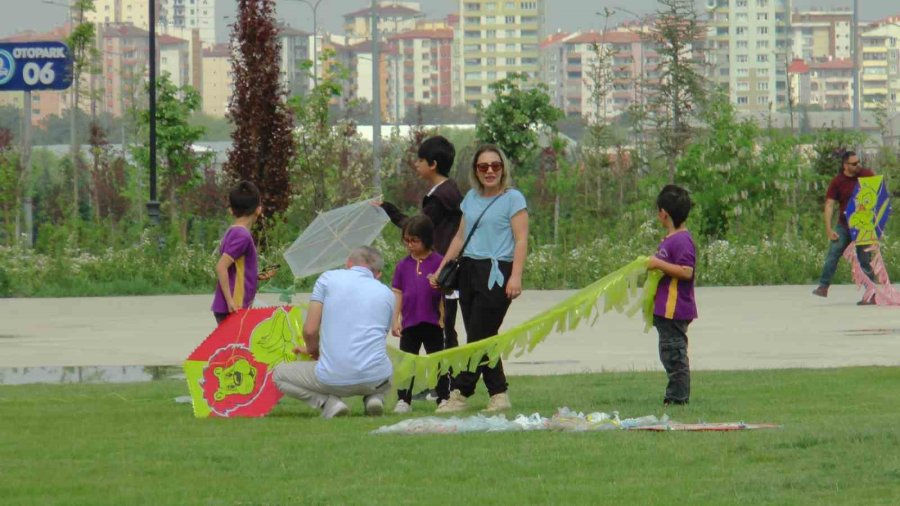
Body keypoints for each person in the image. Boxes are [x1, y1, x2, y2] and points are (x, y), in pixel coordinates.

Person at [431, 144, 528, 413]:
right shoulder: (471, 199)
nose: (489, 171)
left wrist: (516, 276)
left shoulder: (513, 199)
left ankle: (461, 391)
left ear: (503, 168)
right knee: (484, 335)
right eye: (483, 166)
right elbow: (460, 237)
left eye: (495, 166)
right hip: (468, 271)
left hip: (498, 271)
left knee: (478, 335)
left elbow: (521, 239)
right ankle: (498, 393)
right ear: (475, 170)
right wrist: (441, 268)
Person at [379, 135, 463, 399]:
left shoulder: (441, 198)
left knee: (442, 334)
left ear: (433, 164)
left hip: (443, 275)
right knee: (445, 332)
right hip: (444, 274)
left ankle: (447, 387)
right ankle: (445, 387)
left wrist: (388, 210)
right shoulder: (445, 194)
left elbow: (417, 226)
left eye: (420, 160)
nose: (416, 164)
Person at [272, 246, 395, 418]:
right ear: (378, 274)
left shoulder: (328, 279)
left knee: (279, 375)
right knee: (385, 365)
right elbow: (379, 336)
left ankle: (329, 403)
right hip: (375, 378)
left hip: (333, 378)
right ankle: (375, 398)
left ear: (348, 264)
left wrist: (313, 351)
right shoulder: (387, 293)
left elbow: (310, 330)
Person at [390, 215, 448, 413]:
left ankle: (443, 397)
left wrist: (443, 316)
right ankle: (403, 400)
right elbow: (397, 293)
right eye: (406, 240)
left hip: (433, 322)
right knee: (407, 362)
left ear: (427, 239)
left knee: (437, 360)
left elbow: (446, 293)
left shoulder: (440, 262)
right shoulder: (402, 266)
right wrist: (395, 319)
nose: (410, 245)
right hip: (409, 323)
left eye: (415, 240)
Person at [647, 185, 697, 407]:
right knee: (668, 353)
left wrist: (658, 263)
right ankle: (675, 394)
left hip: (674, 309)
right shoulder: (670, 238)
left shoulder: (682, 240)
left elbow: (686, 271)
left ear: (663, 213)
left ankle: (677, 398)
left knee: (674, 354)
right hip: (664, 310)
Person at [812, 151, 877, 305]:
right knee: (833, 254)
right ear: (845, 165)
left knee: (864, 260)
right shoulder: (838, 181)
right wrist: (828, 229)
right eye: (854, 164)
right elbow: (829, 204)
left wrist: (875, 225)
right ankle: (823, 286)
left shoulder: (867, 174)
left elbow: (878, 195)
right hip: (844, 225)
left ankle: (871, 294)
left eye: (858, 162)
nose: (858, 166)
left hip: (863, 225)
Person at [211, 181, 277, 324]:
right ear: (258, 209)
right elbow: (221, 267)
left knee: (237, 346)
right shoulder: (242, 235)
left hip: (234, 305)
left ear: (232, 210)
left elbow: (236, 268)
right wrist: (230, 301)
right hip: (234, 307)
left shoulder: (233, 231)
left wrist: (256, 275)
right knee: (237, 346)